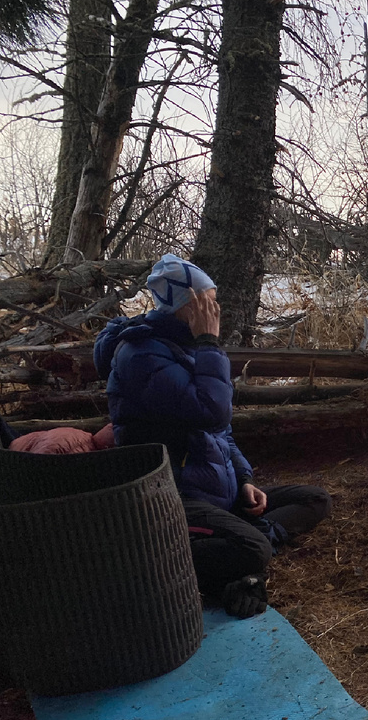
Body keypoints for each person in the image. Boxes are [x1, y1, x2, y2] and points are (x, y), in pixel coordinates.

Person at [94, 255, 331, 618]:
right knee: (253, 549)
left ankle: (240, 543)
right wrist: (209, 343)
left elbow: (222, 431)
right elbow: (213, 411)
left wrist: (245, 479)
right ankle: (224, 553)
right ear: (187, 305)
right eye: (208, 301)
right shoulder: (141, 355)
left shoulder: (183, 346)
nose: (215, 310)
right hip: (174, 497)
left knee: (315, 499)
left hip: (214, 490)